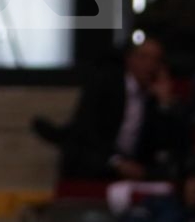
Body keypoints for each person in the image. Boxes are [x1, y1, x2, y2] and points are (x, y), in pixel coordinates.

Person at [31, 37, 186, 182]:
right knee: (80, 151)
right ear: (130, 59)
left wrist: (165, 104)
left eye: (156, 60)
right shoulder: (105, 84)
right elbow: (89, 130)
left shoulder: (156, 99)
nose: (150, 65)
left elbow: (168, 146)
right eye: (144, 57)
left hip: (136, 168)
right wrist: (116, 162)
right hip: (102, 160)